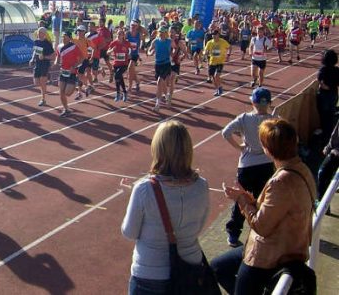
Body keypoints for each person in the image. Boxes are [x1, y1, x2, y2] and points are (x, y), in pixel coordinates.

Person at [212, 119, 316, 295]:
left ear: (268, 150)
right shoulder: (302, 169)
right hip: (291, 246)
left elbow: (261, 226)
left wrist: (241, 200)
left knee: (219, 269)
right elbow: (282, 210)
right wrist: (251, 200)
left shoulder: (281, 181)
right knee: (218, 266)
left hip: (269, 255)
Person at [121, 120, 209, 295]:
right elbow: (198, 226)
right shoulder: (202, 185)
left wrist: (136, 199)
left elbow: (129, 232)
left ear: (158, 148)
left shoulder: (144, 189)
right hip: (190, 268)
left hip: (150, 272)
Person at [221, 87, 277, 247]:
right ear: (269, 103)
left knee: (241, 199)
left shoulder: (244, 118)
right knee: (263, 199)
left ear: (252, 102)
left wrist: (239, 147)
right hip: (266, 164)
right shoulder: (273, 120)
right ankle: (263, 230)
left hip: (246, 165)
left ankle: (233, 234)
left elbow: (225, 133)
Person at [56, 31, 83, 117]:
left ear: (69, 37)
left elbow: (82, 58)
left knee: (67, 93)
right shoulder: (59, 46)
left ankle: (76, 82)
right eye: (62, 36)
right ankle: (66, 109)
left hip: (71, 72)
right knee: (61, 92)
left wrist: (74, 66)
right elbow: (58, 56)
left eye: (65, 36)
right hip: (63, 72)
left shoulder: (74, 47)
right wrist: (56, 61)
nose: (63, 38)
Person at [316, 49, 339, 145]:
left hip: (324, 94)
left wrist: (326, 87)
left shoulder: (323, 69)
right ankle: (331, 131)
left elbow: (320, 81)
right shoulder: (337, 70)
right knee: (331, 112)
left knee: (323, 114)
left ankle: (325, 134)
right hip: (334, 93)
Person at [147, 25, 172, 111]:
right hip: (158, 65)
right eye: (160, 32)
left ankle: (157, 104)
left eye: (163, 33)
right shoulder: (155, 42)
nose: (161, 34)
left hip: (166, 64)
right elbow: (149, 51)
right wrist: (151, 53)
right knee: (163, 83)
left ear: (166, 33)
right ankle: (167, 95)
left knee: (159, 82)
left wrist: (173, 54)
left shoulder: (169, 41)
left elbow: (175, 49)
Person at [30, 27, 56, 106]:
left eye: (40, 32)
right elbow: (35, 51)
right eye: (38, 32)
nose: (38, 33)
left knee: (42, 82)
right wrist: (32, 59)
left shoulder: (47, 43)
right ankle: (48, 76)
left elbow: (53, 56)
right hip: (37, 64)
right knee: (36, 83)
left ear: (44, 34)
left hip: (44, 64)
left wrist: (44, 57)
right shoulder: (36, 42)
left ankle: (43, 99)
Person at [204, 30, 230, 96]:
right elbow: (206, 51)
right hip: (212, 62)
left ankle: (219, 88)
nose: (214, 36)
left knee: (216, 75)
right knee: (213, 77)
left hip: (220, 62)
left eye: (215, 34)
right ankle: (218, 88)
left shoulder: (223, 41)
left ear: (218, 35)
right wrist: (205, 53)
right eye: (213, 35)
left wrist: (228, 54)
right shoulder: (209, 42)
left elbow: (229, 47)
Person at [108, 28, 131, 102]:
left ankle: (118, 93)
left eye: (120, 34)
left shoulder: (127, 43)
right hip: (116, 64)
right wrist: (112, 50)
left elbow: (130, 51)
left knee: (117, 75)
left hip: (124, 64)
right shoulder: (113, 43)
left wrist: (129, 53)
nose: (118, 35)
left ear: (123, 35)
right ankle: (124, 92)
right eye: (117, 34)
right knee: (119, 78)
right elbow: (107, 52)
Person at [126, 21, 142, 92]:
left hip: (134, 55)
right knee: (132, 71)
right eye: (131, 25)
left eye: (134, 26)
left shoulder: (139, 34)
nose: (132, 27)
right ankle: (137, 81)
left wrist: (140, 48)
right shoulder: (127, 33)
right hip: (127, 54)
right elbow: (124, 42)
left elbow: (141, 43)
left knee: (130, 69)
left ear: (137, 27)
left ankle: (129, 87)